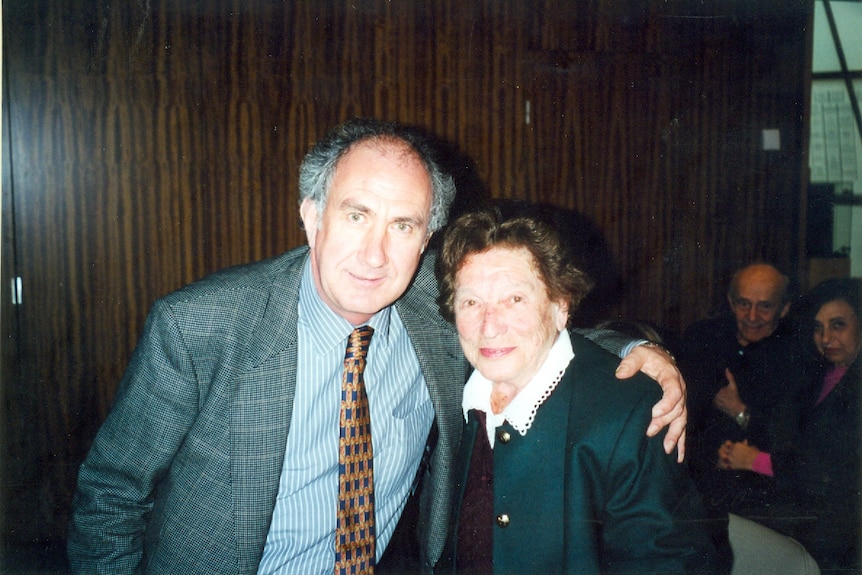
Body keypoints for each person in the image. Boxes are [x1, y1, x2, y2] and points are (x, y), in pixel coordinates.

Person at [67, 118, 687, 574]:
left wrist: (642, 353)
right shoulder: (200, 325)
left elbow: (526, 329)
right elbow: (109, 497)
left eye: (403, 226)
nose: (375, 255)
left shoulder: (435, 313)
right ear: (312, 217)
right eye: (357, 215)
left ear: (427, 240)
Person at [435, 208, 725, 574]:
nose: (489, 326)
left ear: (560, 307)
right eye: (471, 302)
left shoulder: (629, 414)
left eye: (515, 300)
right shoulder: (452, 389)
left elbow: (671, 563)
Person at [719, 277, 862, 571]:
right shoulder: (822, 373)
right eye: (818, 328)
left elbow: (826, 471)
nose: (826, 339)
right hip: (800, 511)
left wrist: (753, 460)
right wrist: (739, 449)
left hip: (835, 531)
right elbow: (785, 437)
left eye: (838, 325)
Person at [678, 263, 808, 518]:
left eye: (765, 306)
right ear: (730, 300)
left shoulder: (798, 355)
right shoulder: (701, 337)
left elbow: (791, 441)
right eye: (743, 303)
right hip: (700, 486)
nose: (751, 316)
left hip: (765, 495)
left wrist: (740, 411)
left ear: (784, 308)